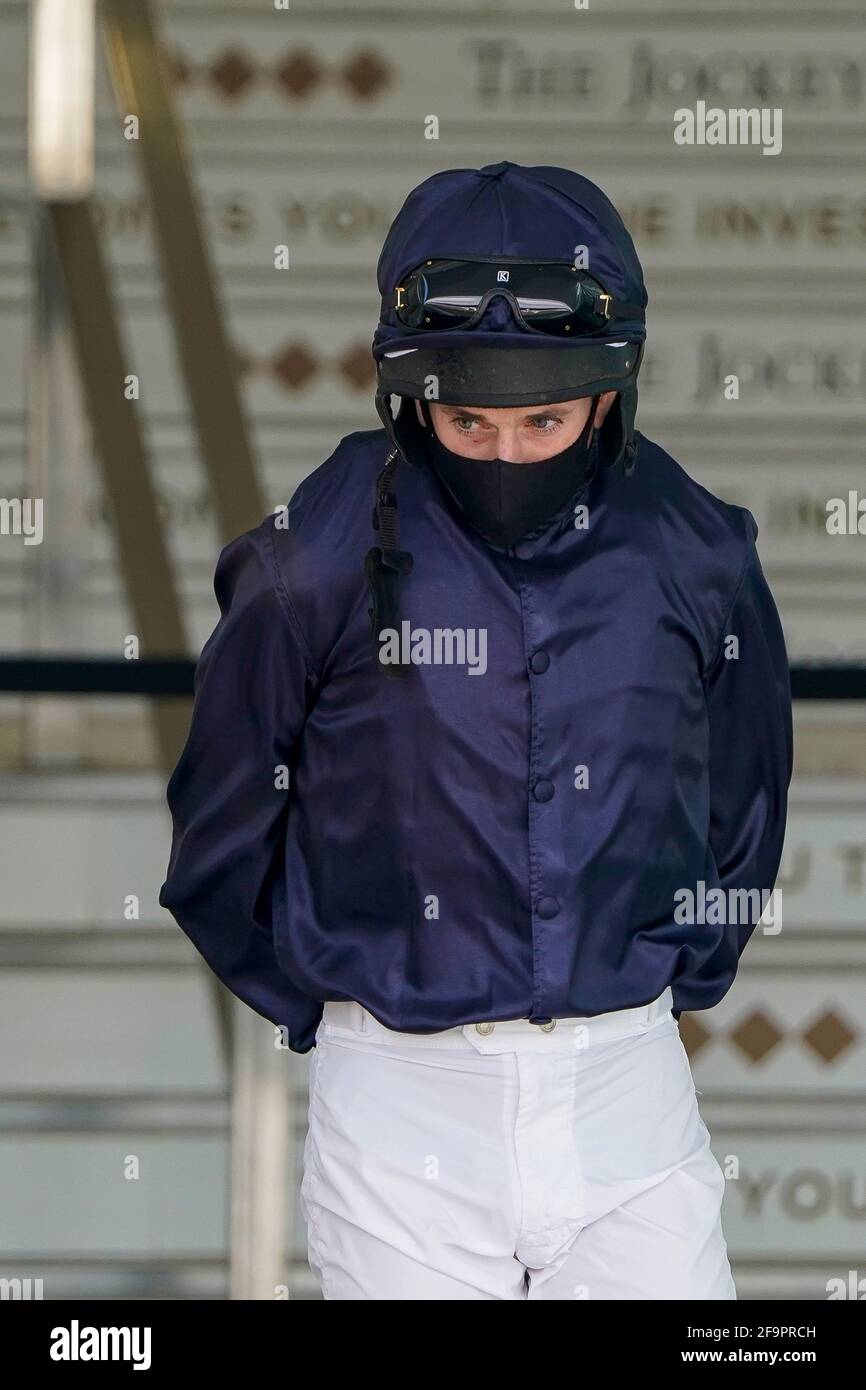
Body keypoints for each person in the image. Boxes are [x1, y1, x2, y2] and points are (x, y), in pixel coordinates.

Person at [159, 161, 793, 1300]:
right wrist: (341, 1003)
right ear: (411, 398)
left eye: (541, 420)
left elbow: (745, 800)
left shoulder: (695, 550)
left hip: (626, 1090)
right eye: (468, 421)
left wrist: (666, 980)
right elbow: (220, 827)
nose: (503, 453)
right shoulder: (309, 559)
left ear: (608, 395)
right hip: (398, 1103)